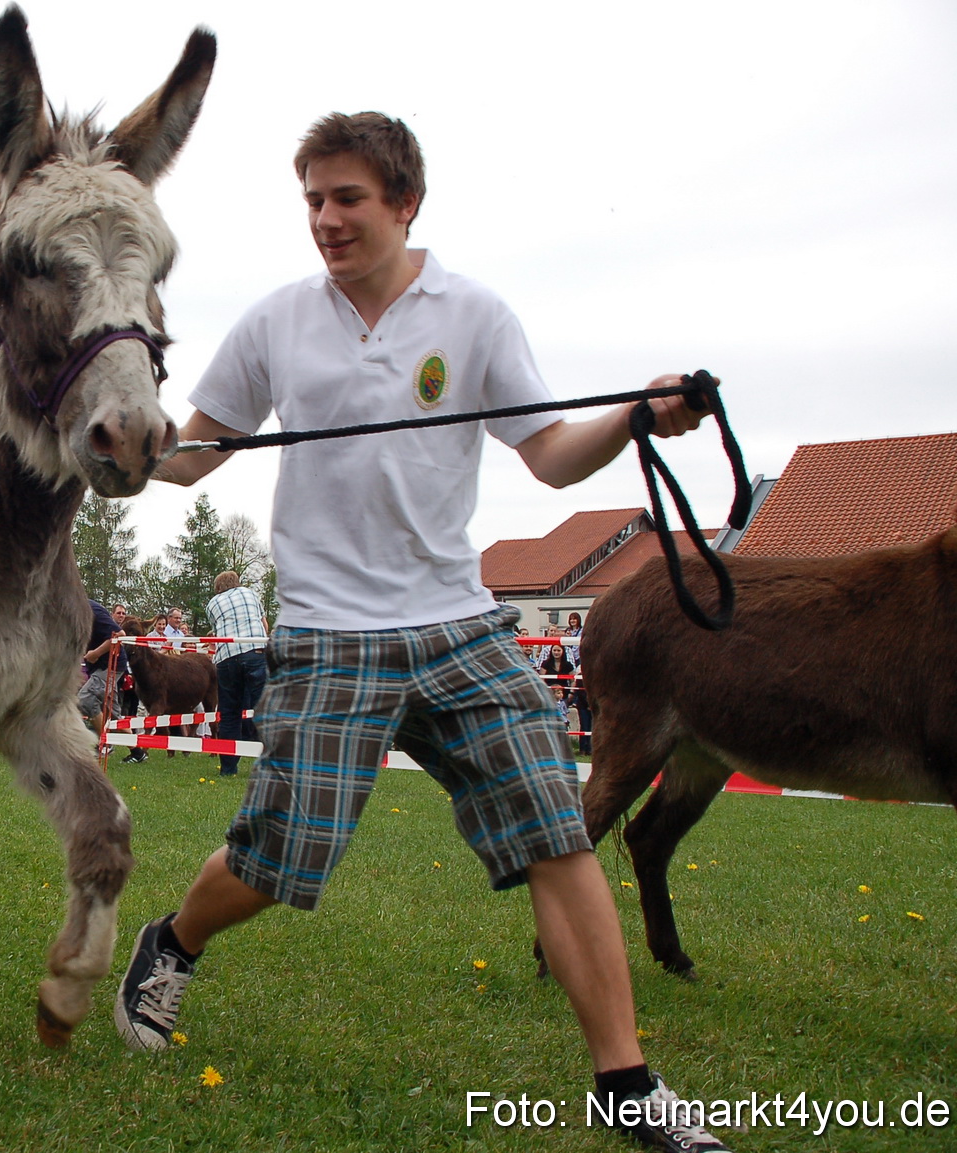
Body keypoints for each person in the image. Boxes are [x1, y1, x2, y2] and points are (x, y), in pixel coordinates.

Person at [112, 112, 729, 1153]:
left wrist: (634, 414)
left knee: (555, 824)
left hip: (455, 621)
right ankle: (170, 942)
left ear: (405, 202)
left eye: (346, 197)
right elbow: (197, 454)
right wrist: (130, 447)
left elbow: (551, 457)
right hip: (327, 629)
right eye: (312, 198)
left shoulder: (475, 315)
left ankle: (625, 1082)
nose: (326, 218)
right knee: (277, 857)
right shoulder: (276, 324)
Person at [204, 570, 268, 777]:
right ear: (237, 582)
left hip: (227, 658)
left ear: (218, 588)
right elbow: (263, 624)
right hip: (254, 652)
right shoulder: (251, 594)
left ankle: (228, 769)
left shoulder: (212, 603)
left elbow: (216, 632)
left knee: (230, 714)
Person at [76, 599, 125, 748]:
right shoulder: (73, 613)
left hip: (110, 666)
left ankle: (105, 744)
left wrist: (96, 653)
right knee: (112, 711)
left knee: (85, 700)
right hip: (98, 667)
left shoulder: (93, 610)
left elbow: (119, 634)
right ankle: (137, 751)